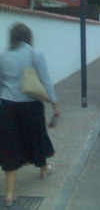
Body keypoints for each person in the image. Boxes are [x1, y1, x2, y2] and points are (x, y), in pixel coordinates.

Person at [0, 23, 61, 207]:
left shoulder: (2, 55)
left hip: (8, 106)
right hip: (31, 106)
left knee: (10, 145)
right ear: (29, 37)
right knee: (37, 137)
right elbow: (46, 82)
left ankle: (10, 194)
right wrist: (55, 105)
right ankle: (43, 169)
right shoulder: (35, 54)